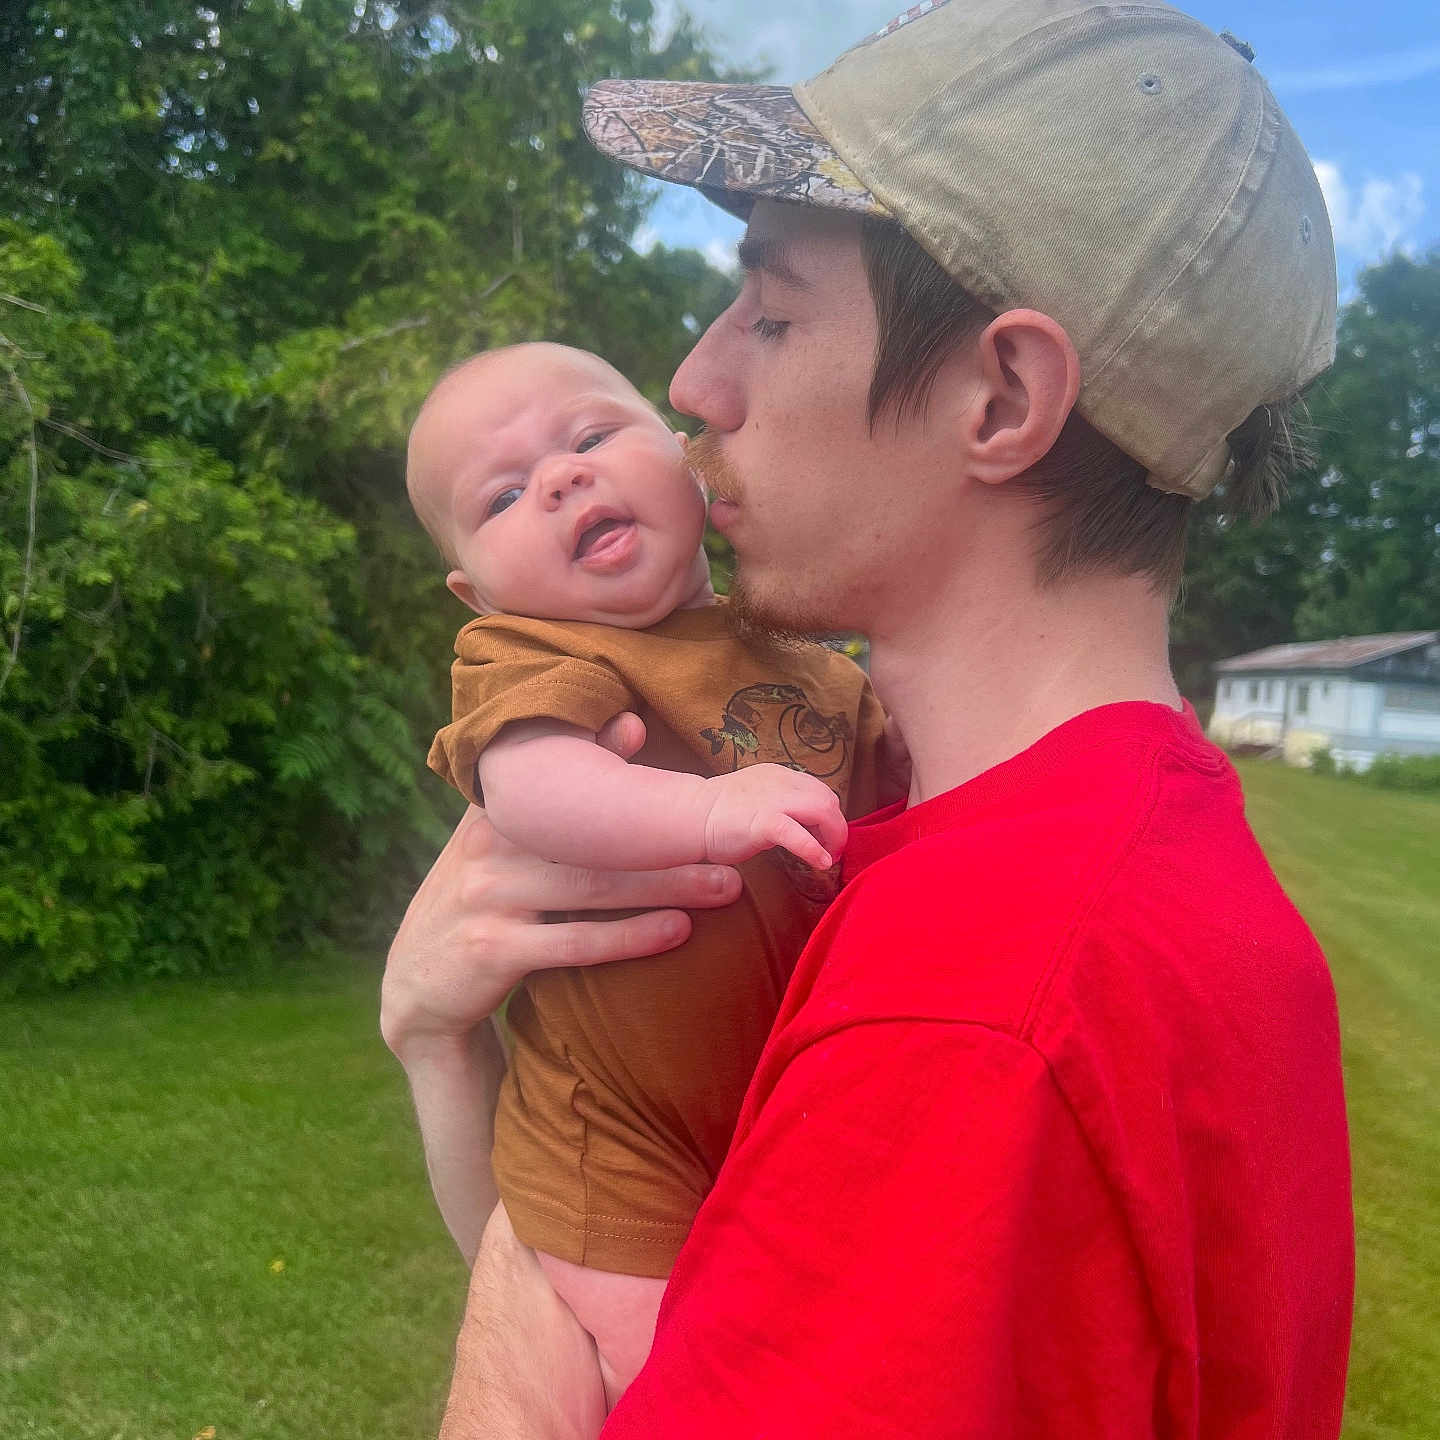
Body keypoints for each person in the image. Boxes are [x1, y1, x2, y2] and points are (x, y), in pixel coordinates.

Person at [381, 0, 1355, 1434]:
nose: (694, 384)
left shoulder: (973, 1015)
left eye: (773, 313)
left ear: (1000, 396)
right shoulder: (1116, 866)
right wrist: (436, 1048)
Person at [403, 341, 889, 1405]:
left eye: (588, 437)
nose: (562, 479)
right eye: (502, 496)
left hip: (790, 1103)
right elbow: (533, 789)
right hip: (613, 1138)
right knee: (673, 1382)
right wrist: (712, 808)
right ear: (471, 589)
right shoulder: (532, 655)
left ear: (684, 458)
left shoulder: (817, 666)